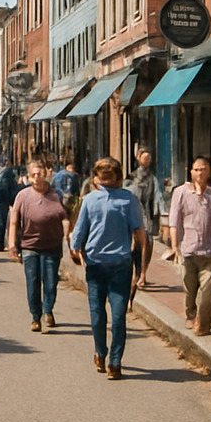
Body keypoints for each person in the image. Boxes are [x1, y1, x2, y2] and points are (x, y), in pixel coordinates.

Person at [70, 157, 146, 380]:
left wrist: (75, 249)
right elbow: (139, 232)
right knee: (112, 314)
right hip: (109, 263)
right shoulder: (114, 199)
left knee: (105, 313)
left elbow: (80, 230)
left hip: (107, 264)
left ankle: (108, 357)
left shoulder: (104, 199)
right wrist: (142, 264)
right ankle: (108, 357)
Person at [169, 157, 211, 336]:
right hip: (188, 250)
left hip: (210, 252)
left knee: (207, 291)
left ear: (209, 172)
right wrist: (175, 246)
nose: (200, 173)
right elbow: (174, 221)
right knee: (190, 289)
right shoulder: (181, 192)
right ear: (191, 171)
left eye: (204, 169)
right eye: (197, 169)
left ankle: (203, 325)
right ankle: (191, 314)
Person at [9, 161, 69, 332]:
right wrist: (12, 244)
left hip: (52, 245)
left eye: (40, 173)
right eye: (33, 174)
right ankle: (36, 316)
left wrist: (68, 236)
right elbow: (14, 221)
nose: (37, 177)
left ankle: (48, 310)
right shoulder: (23, 196)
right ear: (29, 176)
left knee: (50, 281)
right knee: (33, 281)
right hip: (29, 245)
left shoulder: (56, 195)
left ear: (46, 174)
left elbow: (65, 217)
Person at [128, 149, 166, 282]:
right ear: (138, 158)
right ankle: (136, 272)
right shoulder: (131, 178)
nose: (147, 161)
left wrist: (162, 215)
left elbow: (158, 196)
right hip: (133, 215)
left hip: (148, 217)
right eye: (144, 158)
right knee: (134, 247)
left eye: (149, 158)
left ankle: (142, 273)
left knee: (148, 245)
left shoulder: (153, 178)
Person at [0, 161, 22, 254]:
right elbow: (9, 188)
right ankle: (3, 244)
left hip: (0, 200)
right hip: (4, 200)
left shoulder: (2, 173)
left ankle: (0, 243)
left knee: (0, 222)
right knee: (5, 222)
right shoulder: (10, 174)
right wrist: (11, 200)